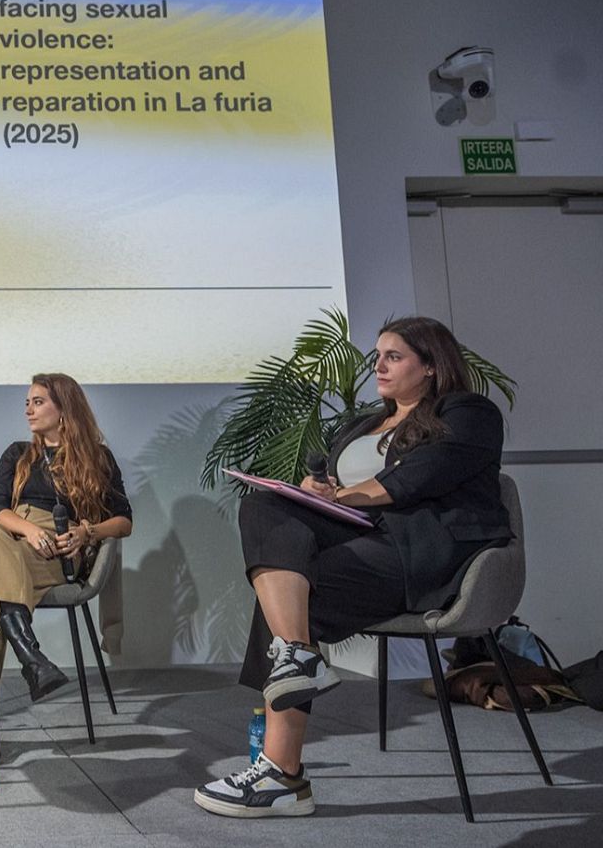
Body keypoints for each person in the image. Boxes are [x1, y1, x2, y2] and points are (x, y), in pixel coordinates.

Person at [196, 316, 511, 818]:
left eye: (394, 357)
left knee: (289, 599)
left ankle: (282, 773)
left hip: (424, 554)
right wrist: (316, 491)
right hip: (365, 542)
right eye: (377, 357)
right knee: (265, 513)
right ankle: (297, 659)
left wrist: (340, 497)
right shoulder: (361, 425)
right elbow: (340, 491)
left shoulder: (468, 412)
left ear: (431, 365)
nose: (378, 367)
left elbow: (419, 477)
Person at [0, 373, 133, 763]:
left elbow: (124, 521)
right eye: (27, 403)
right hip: (12, 538)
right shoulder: (17, 453)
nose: (28, 410)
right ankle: (31, 657)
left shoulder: (98, 458)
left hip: (60, 550)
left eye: (38, 402)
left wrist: (87, 532)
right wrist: (29, 530)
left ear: (64, 408)